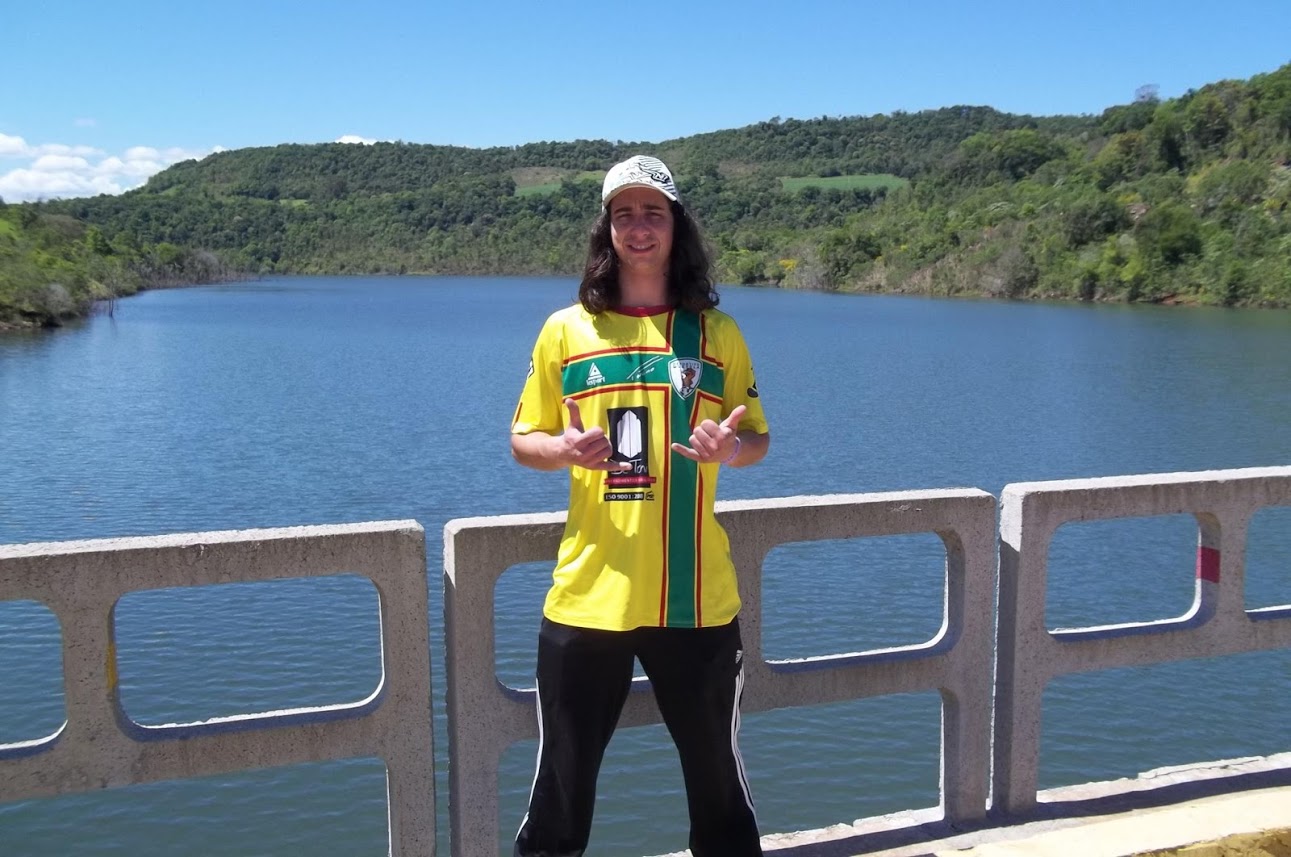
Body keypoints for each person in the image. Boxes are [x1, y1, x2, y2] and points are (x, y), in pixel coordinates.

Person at [509, 154, 770, 857]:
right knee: (559, 793)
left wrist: (727, 452)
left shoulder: (717, 335)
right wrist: (561, 451)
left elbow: (757, 438)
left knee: (719, 793)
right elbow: (522, 438)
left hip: (695, 599)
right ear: (606, 229)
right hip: (587, 594)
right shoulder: (566, 330)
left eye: (652, 212)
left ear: (676, 225)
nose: (638, 227)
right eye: (623, 213)